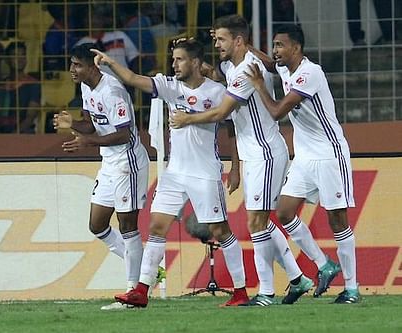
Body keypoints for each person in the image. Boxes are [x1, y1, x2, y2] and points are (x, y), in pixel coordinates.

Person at [170, 15, 317, 306]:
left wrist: (188, 118)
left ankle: (265, 292)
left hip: (265, 153)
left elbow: (221, 113)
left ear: (238, 40)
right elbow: (228, 97)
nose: (217, 44)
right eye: (215, 39)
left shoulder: (247, 69)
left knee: (255, 222)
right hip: (253, 156)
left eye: (222, 39)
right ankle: (298, 278)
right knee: (261, 222)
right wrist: (236, 166)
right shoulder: (229, 67)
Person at [93, 37, 250, 308]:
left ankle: (240, 292)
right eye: (173, 59)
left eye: (179, 59)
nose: (174, 64)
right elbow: (132, 78)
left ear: (196, 63)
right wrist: (109, 63)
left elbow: (231, 129)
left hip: (205, 173)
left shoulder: (216, 92)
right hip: (175, 172)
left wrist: (236, 168)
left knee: (220, 230)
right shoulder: (170, 86)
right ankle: (141, 290)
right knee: (155, 227)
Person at [245, 24, 359, 304]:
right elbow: (271, 64)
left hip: (330, 155)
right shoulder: (286, 67)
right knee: (283, 212)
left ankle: (352, 288)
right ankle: (324, 264)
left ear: (296, 48)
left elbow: (276, 112)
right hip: (305, 157)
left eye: (280, 45)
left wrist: (259, 86)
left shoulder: (310, 73)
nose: (275, 51)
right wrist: (243, 46)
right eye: (274, 45)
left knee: (337, 220)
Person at [52, 43, 150, 311]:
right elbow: (93, 124)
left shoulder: (113, 90)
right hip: (109, 162)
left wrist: (86, 142)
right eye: (72, 64)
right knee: (97, 225)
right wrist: (72, 124)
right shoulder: (86, 87)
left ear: (93, 66)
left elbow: (124, 134)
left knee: (128, 225)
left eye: (77, 65)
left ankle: (134, 292)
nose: (72, 70)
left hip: (127, 162)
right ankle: (145, 270)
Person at [0, 41, 41, 133]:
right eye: (15, 55)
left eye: (23, 55)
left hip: (23, 133)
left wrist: (14, 136)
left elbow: (30, 117)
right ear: (7, 59)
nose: (20, 59)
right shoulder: (0, 86)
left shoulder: (33, 85)